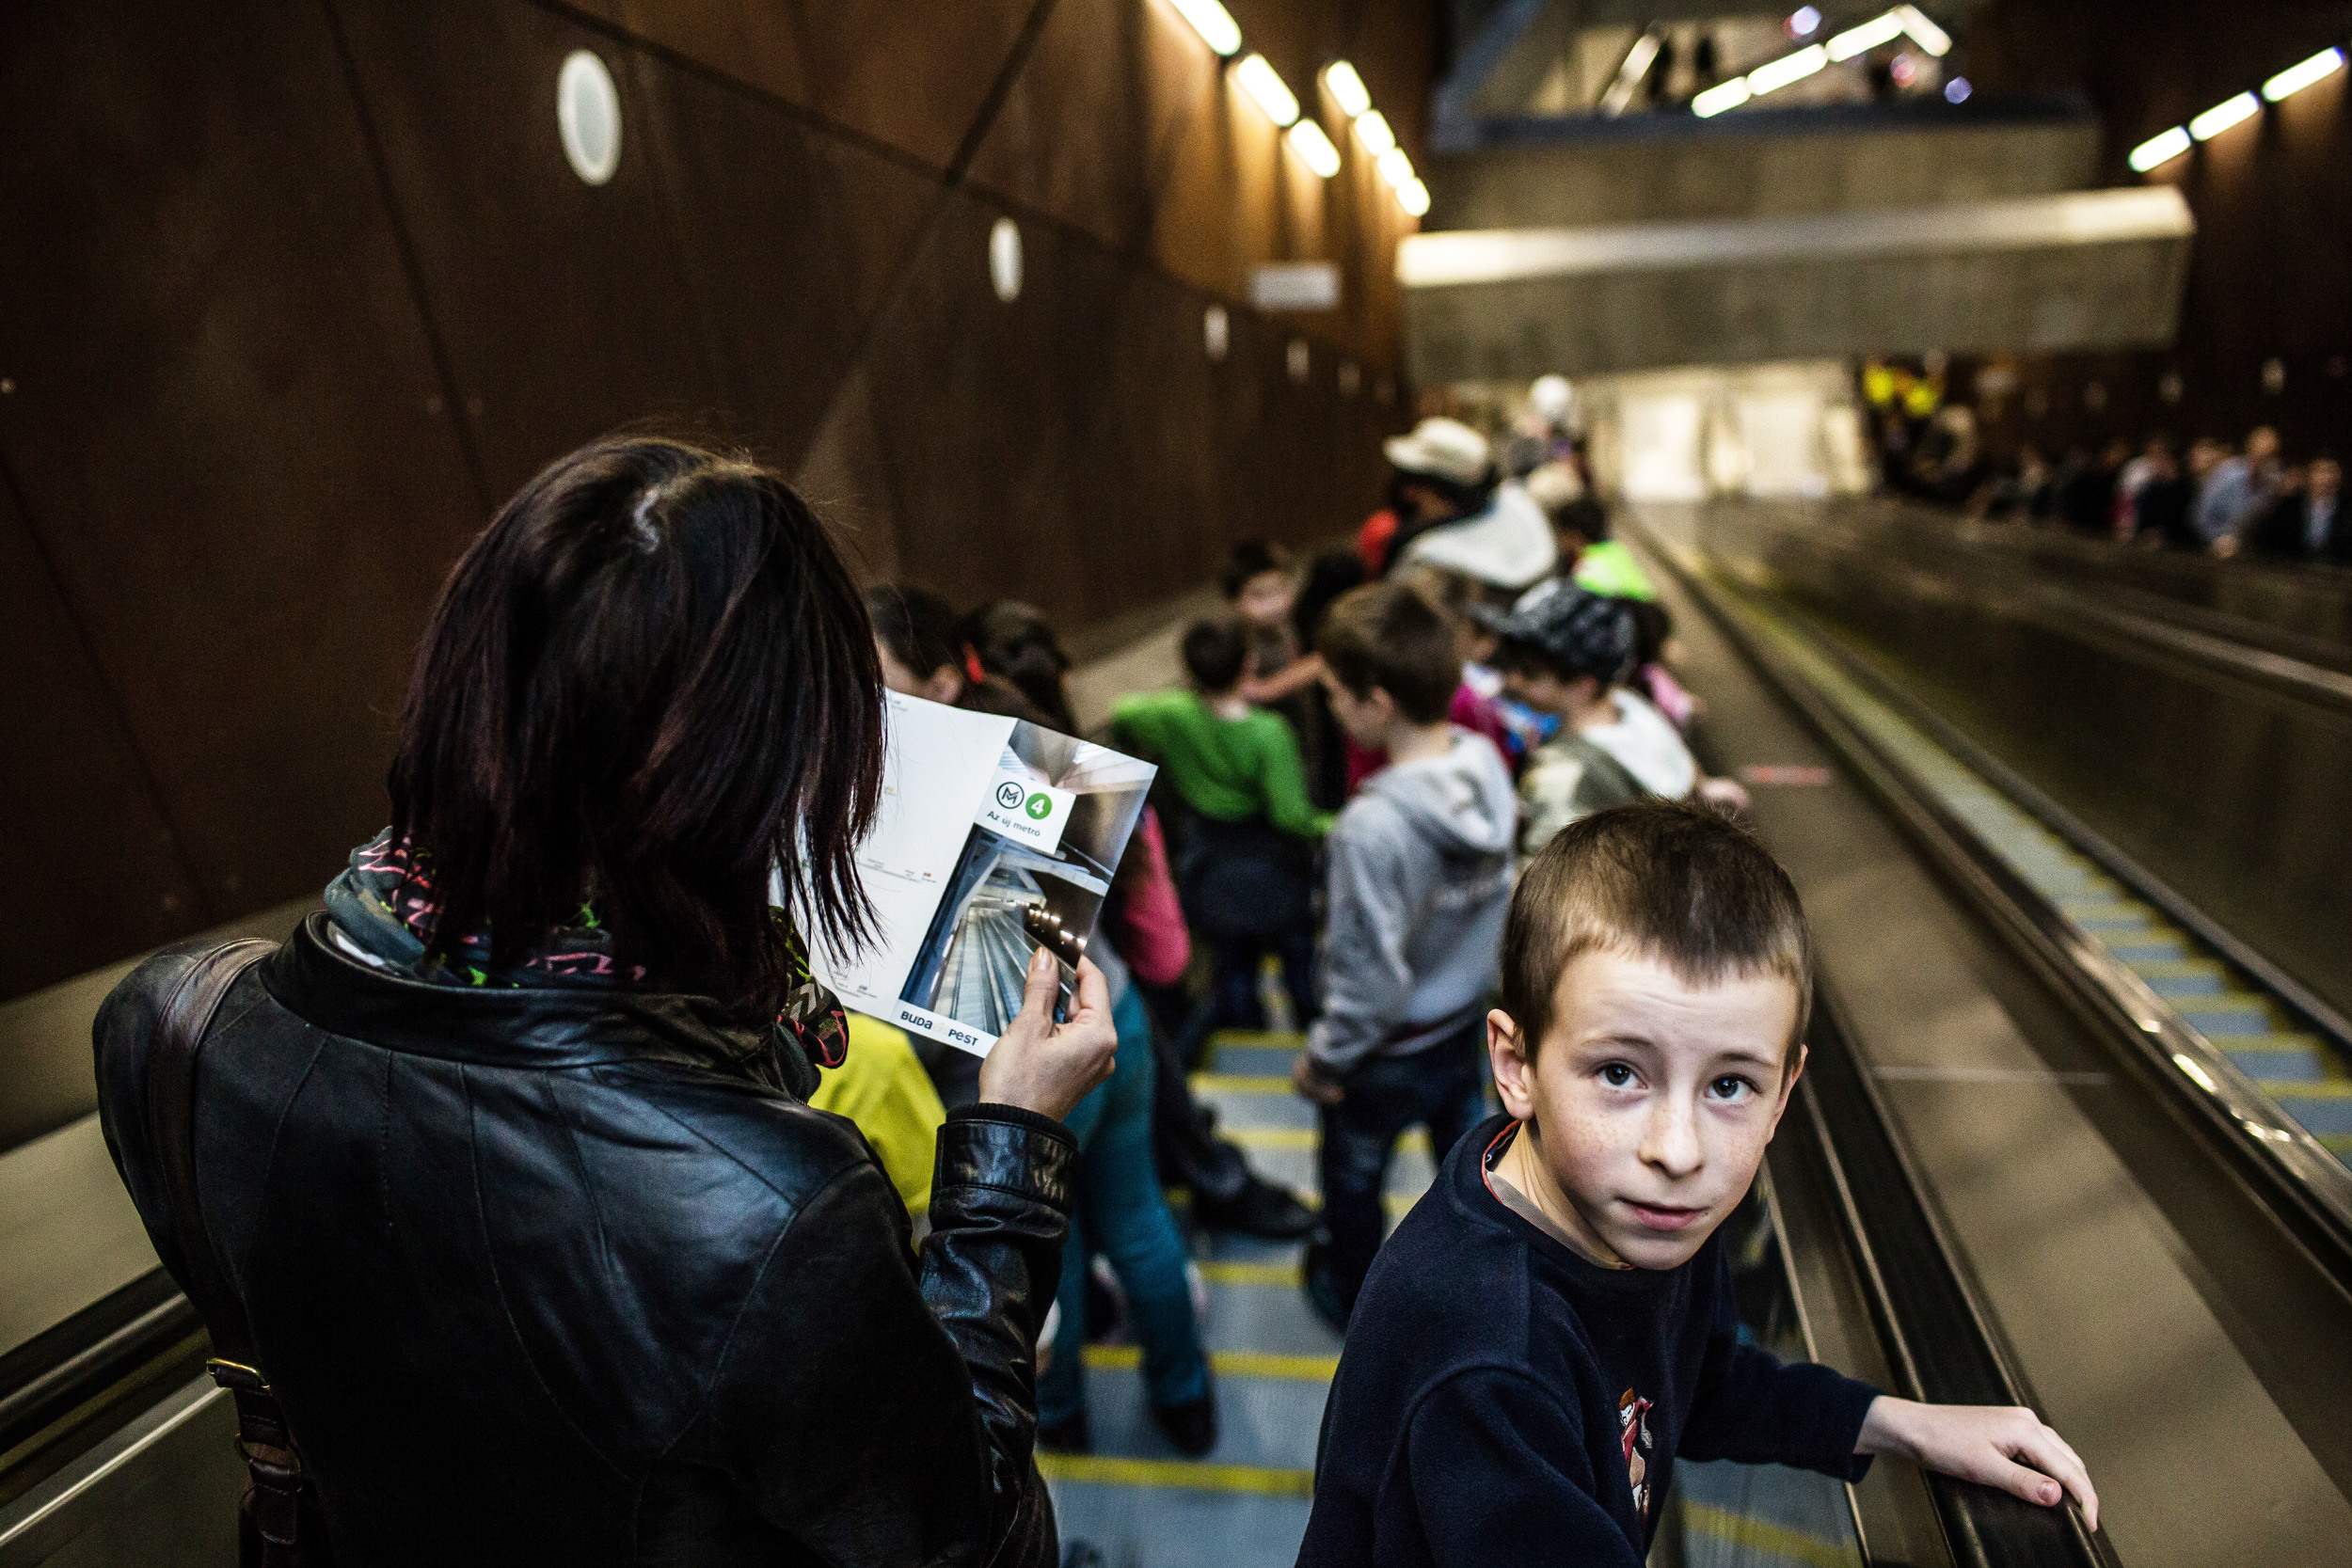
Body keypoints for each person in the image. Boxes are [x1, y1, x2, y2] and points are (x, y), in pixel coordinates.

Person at [92, 436, 1118, 1566]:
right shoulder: (775, 1208)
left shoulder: (175, 1023)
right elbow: (975, 1542)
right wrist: (1012, 1146)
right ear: (752, 778)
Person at [1296, 802, 2101, 1567]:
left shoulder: (1638, 1215)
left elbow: (1701, 1382)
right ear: (1517, 1067)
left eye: (1729, 1086)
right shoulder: (1488, 1360)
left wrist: (1900, 1424)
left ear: (1785, 1092)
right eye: (1619, 1072)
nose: (1678, 1150)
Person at [1295, 582, 1518, 1332]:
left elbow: (1370, 984)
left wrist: (1324, 1062)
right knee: (1469, 1171)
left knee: (1354, 1181)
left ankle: (1353, 1294)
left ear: (1377, 701)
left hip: (1383, 1054)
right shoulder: (1484, 761)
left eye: (1334, 691)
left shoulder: (1371, 828)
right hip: (1462, 1029)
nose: (1329, 704)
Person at [1113, 618, 1329, 1037]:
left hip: (1209, 862)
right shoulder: (1269, 734)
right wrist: (1336, 822)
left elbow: (1123, 711)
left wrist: (1190, 698)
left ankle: (1246, 1032)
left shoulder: (1175, 715)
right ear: (1248, 664)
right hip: (1273, 868)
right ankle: (1312, 1033)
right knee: (1299, 963)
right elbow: (1291, 816)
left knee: (1232, 966)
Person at [1486, 587, 1703, 856]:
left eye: (1530, 674)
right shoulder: (1633, 707)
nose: (1512, 681)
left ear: (1585, 685)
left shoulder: (1560, 774)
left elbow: (1545, 878)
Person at [1361, 417, 1556, 593]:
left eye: (1417, 485)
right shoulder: (1518, 505)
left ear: (1449, 493)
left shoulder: (1429, 561)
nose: (1408, 495)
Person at [2247, 455, 2345, 562]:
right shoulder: (2290, 505)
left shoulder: (2346, 510)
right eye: (2321, 471)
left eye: (2331, 471)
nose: (2326, 478)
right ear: (2309, 475)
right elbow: (2266, 538)